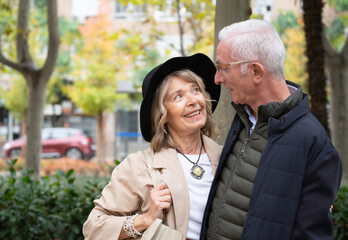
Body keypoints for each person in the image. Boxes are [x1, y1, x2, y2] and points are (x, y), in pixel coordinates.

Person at [200, 19, 342, 240]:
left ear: (256, 71)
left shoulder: (314, 144)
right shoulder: (244, 117)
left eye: (223, 68)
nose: (217, 79)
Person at [83, 53, 222, 240]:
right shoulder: (139, 166)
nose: (193, 100)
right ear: (162, 114)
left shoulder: (226, 156)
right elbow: (94, 227)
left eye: (195, 90)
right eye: (178, 96)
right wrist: (146, 219)